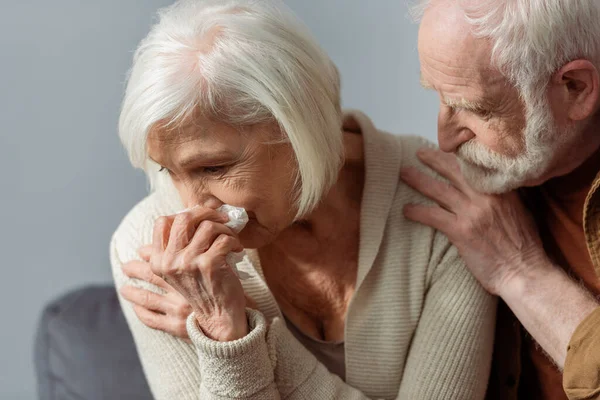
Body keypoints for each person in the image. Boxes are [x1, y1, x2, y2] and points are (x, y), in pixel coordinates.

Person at [111, 0, 496, 399]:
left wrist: (242, 333)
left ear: (299, 127)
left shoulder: (444, 207)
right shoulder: (155, 256)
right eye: (167, 171)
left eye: (213, 169)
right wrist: (228, 340)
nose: (193, 206)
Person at [403, 1, 600, 399]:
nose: (445, 140)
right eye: (440, 97)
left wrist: (519, 272)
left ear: (575, 88)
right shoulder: (512, 170)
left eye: (476, 110)